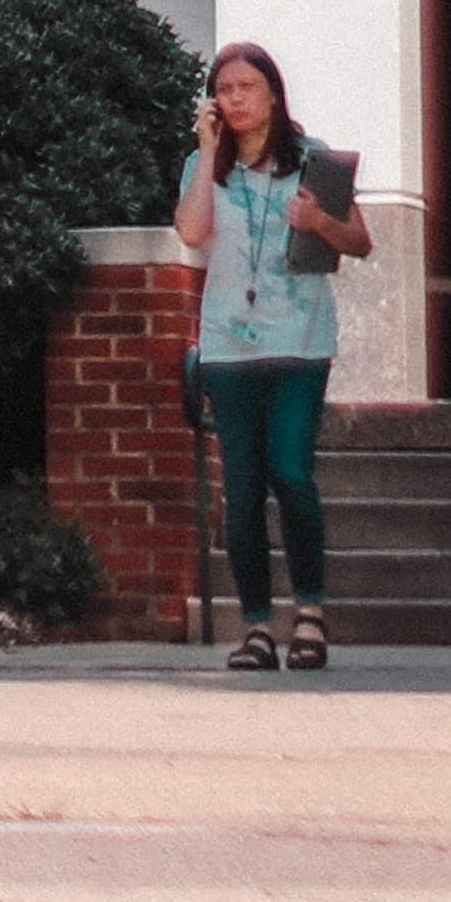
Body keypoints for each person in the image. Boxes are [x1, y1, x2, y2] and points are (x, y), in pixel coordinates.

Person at [174, 39, 369, 670]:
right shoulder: (205, 165)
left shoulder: (313, 161)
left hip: (299, 342)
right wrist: (206, 154)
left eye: (246, 88)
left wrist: (320, 224)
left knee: (290, 471)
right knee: (241, 490)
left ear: (274, 96)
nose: (233, 101)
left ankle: (310, 614)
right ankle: (256, 626)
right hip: (228, 349)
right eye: (223, 90)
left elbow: (360, 243)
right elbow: (192, 232)